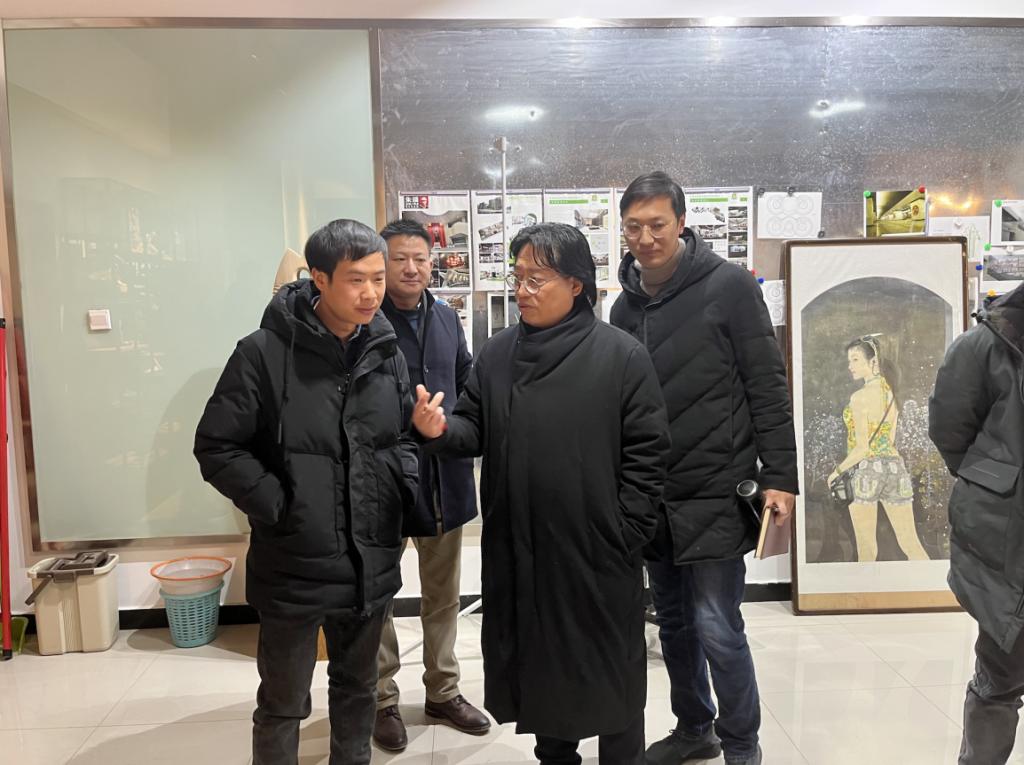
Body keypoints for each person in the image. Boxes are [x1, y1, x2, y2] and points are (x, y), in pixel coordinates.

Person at [413, 222, 669, 765]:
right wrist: (440, 429)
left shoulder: (620, 355)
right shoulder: (499, 353)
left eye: (537, 279)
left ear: (576, 284)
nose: (522, 291)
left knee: (612, 675)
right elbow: (473, 426)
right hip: (523, 549)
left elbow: (648, 455)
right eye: (518, 277)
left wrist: (624, 530)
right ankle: (555, 757)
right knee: (543, 671)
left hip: (597, 551)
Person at [194, 219, 417, 765]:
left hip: (369, 558)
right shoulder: (263, 353)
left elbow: (401, 436)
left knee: (358, 690)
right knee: (282, 702)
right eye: (356, 280)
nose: (371, 293)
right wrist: (281, 506)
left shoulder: (385, 350)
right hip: (294, 562)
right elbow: (217, 446)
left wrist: (398, 490)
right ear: (319, 278)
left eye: (378, 278)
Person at [611, 171, 799, 765]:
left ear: (682, 223)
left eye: (657, 225)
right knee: (672, 624)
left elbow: (767, 384)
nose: (646, 238)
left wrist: (781, 476)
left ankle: (742, 746)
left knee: (717, 625)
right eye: (634, 227)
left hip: (717, 489)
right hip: (653, 495)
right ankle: (695, 728)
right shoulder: (623, 305)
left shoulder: (730, 286)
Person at [372, 219, 489, 751]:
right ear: (382, 262)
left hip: (444, 476)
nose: (411, 268)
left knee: (443, 595)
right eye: (399, 258)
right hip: (384, 480)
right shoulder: (366, 319)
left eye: (420, 258)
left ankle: (443, 691)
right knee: (379, 594)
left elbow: (466, 382)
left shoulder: (445, 316)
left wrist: (459, 428)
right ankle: (382, 699)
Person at [929, 284, 1024, 765]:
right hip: (1007, 533)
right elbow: (951, 429)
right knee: (1002, 670)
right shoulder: (984, 344)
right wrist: (996, 481)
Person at [827, 336, 929, 562]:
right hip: (895, 470)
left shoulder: (859, 397)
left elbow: (863, 448)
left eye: (855, 360)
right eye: (849, 360)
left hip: (867, 472)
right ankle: (930, 580)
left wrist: (836, 472)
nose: (850, 366)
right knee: (910, 543)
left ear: (873, 361)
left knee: (866, 550)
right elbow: (889, 440)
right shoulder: (890, 394)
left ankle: (866, 586)